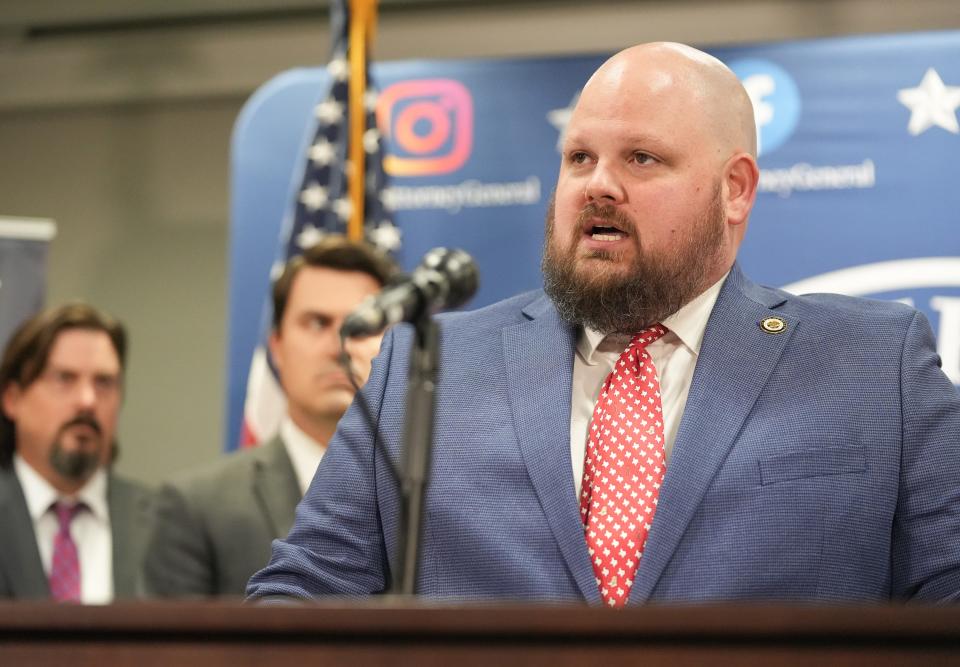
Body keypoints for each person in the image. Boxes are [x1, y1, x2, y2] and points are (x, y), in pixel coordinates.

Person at [246, 42, 960, 604]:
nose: (597, 185)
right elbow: (298, 599)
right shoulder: (427, 369)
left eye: (641, 158)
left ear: (734, 189)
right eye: (579, 157)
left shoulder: (874, 366)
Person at [143, 236, 397, 597]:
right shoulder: (195, 507)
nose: (339, 346)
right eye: (317, 323)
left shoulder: (430, 498)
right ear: (276, 348)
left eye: (363, 325)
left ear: (394, 345)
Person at [0, 303, 153, 602]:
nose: (87, 401)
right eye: (64, 378)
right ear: (12, 399)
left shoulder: (162, 524)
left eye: (104, 383)